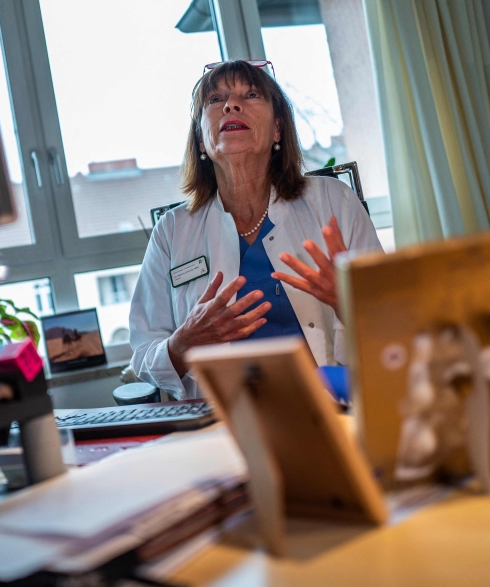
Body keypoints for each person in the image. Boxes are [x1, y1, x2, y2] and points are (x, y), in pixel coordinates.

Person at [129, 60, 383, 400]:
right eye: (215, 100)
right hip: (220, 425)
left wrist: (347, 302)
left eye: (250, 95)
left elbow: (393, 324)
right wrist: (182, 342)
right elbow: (142, 354)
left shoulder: (333, 202)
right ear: (202, 142)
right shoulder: (172, 230)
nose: (231, 105)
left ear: (278, 129)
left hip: (328, 411)